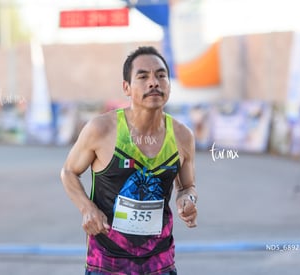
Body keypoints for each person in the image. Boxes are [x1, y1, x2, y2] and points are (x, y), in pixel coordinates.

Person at [60, 46, 198, 275]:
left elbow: (187, 186)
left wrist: (188, 200)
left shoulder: (183, 136)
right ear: (126, 87)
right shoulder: (101, 129)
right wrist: (87, 208)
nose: (154, 82)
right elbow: (68, 172)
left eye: (161, 75)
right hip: (106, 263)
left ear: (169, 84)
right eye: (143, 76)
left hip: (160, 263)